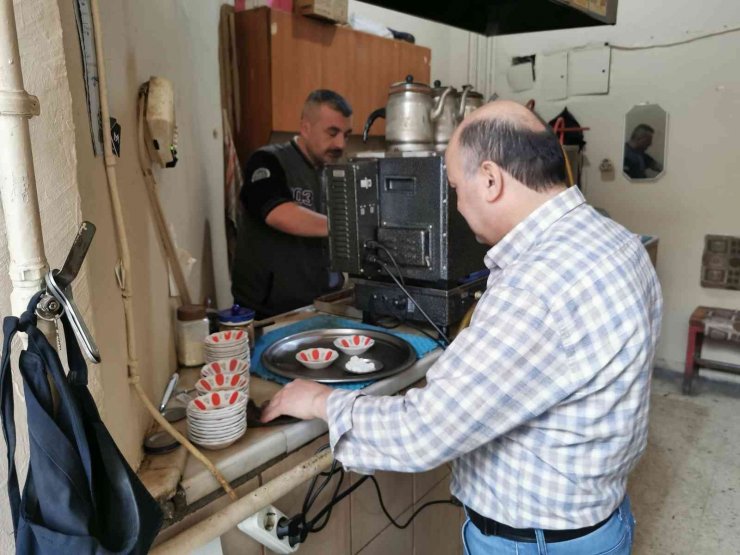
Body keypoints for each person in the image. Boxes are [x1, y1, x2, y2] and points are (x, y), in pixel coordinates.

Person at [261, 100, 662, 554]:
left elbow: (426, 431)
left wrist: (320, 399)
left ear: (490, 180)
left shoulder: (537, 283)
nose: (456, 205)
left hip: (536, 544)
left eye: (454, 188)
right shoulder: (620, 242)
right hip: (604, 521)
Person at [231, 90, 353, 318]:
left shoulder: (332, 174)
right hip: (267, 313)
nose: (340, 143)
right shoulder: (268, 161)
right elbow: (278, 213)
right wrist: (345, 227)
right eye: (332, 132)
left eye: (346, 135)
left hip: (319, 306)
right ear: (305, 128)